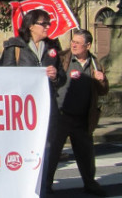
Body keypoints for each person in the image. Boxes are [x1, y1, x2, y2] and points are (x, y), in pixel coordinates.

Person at [0, 8, 66, 196]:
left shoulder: (53, 47)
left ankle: (44, 187)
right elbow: (4, 76)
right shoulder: (15, 47)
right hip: (22, 110)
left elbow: (62, 78)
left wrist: (55, 76)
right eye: (43, 24)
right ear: (30, 26)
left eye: (48, 23)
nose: (47, 27)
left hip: (46, 107)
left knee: (47, 148)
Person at [45, 29, 108, 196]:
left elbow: (103, 91)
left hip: (83, 118)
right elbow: (53, 78)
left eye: (78, 43)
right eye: (73, 41)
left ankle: (90, 183)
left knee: (86, 153)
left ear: (87, 45)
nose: (73, 44)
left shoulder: (95, 64)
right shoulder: (63, 58)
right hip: (61, 115)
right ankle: (46, 185)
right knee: (53, 153)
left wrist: (102, 81)